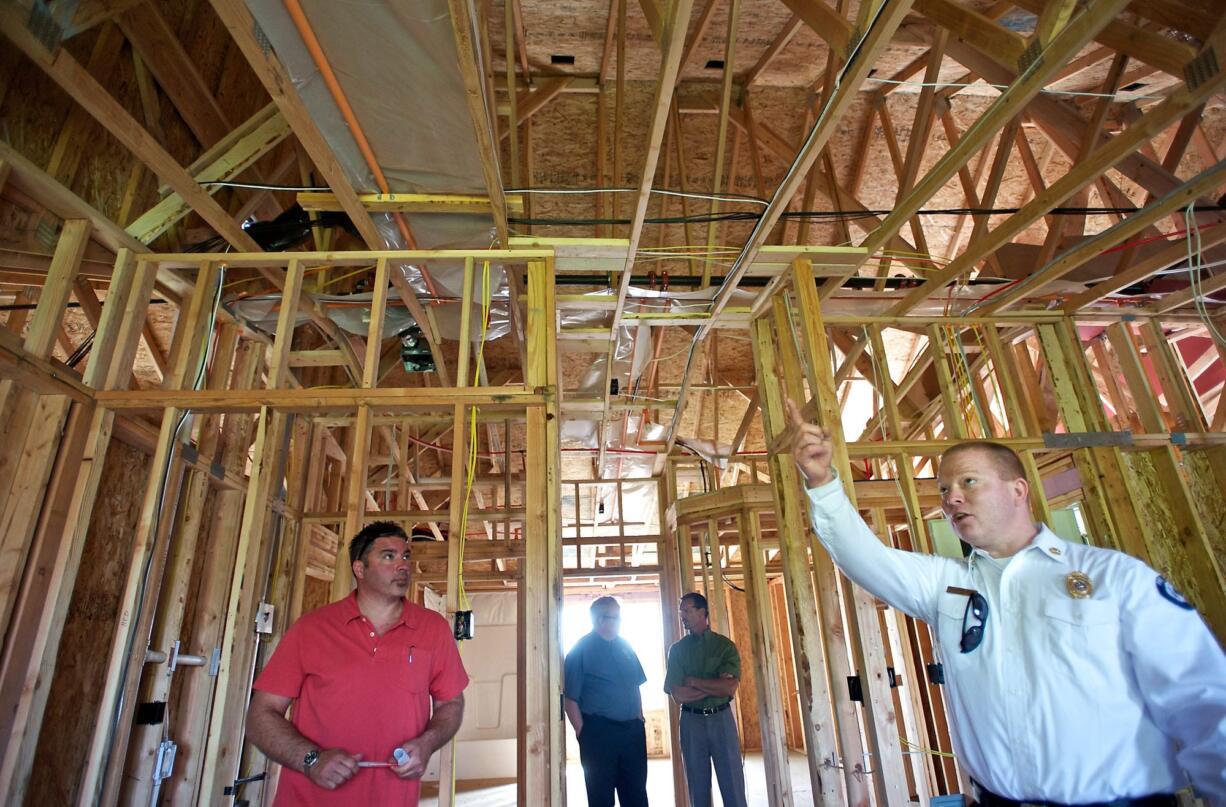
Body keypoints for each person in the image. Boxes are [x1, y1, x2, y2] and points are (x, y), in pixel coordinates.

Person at [783, 397, 1226, 806]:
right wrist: (821, 481)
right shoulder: (946, 585)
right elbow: (865, 557)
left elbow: (1203, 699)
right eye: (944, 489)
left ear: (1018, 490)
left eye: (968, 482)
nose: (951, 497)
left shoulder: (1113, 577)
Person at [246, 521, 469, 805]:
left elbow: (451, 704)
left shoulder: (433, 629)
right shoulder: (312, 629)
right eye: (388, 556)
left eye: (406, 556)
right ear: (359, 569)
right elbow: (260, 715)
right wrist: (311, 760)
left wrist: (427, 743)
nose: (402, 565)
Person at [663, 592, 748, 807]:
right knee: (697, 787)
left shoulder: (724, 646)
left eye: (687, 610)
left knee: (733, 785)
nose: (682, 615)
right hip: (691, 722)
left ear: (702, 612)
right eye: (681, 610)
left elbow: (729, 687)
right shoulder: (677, 651)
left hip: (722, 720)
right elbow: (679, 695)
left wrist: (693, 681)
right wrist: (713, 686)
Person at [563, 596, 650, 807]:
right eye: (617, 617)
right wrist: (583, 733)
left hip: (632, 732)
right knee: (600, 796)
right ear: (601, 620)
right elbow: (570, 699)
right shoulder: (580, 650)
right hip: (598, 734)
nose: (620, 621)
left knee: (636, 793)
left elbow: (636, 685)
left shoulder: (626, 647)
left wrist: (639, 718)